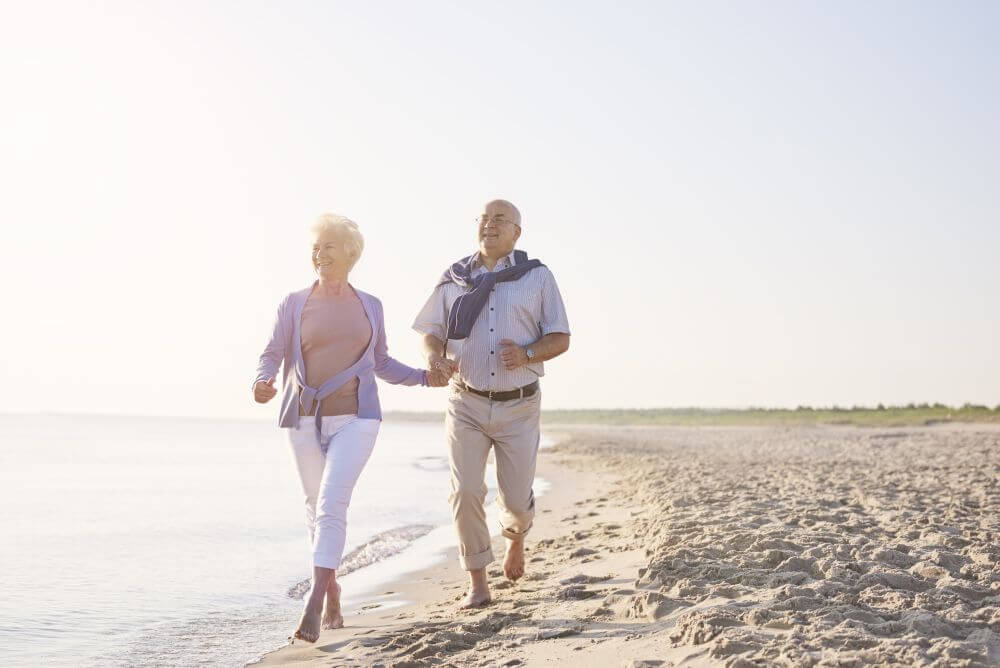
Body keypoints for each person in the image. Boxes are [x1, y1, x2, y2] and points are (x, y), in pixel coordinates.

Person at [253, 213, 446, 642]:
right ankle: (333, 587)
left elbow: (380, 362)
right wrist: (261, 380)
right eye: (315, 248)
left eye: (328, 246)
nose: (319, 255)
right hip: (301, 417)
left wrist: (423, 377)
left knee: (330, 504)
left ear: (350, 253)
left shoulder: (370, 305)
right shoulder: (294, 302)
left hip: (357, 419)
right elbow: (272, 353)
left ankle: (314, 600)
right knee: (313, 506)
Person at [413, 199, 570, 608]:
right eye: (484, 218)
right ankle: (478, 584)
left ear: (517, 232)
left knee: (516, 500)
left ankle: (515, 538)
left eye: (500, 219)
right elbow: (430, 329)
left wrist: (528, 354)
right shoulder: (454, 278)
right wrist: (433, 357)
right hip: (465, 401)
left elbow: (560, 337)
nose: (490, 224)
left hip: (519, 405)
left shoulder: (536, 277)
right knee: (464, 491)